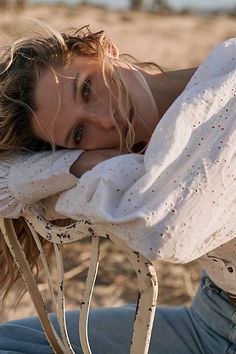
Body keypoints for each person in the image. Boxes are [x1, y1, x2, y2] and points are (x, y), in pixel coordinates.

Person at [0, 24, 235, 354]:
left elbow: (164, 227)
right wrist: (79, 163)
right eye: (79, 134)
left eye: (87, 89)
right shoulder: (142, 160)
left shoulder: (228, 86)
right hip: (212, 316)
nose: (106, 121)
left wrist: (75, 169)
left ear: (103, 48)